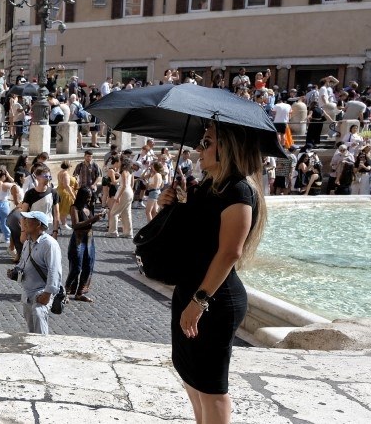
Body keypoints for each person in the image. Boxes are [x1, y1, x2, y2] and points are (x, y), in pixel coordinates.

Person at [156, 122, 268, 424]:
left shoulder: (239, 190)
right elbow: (191, 237)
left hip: (213, 300)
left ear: (228, 146)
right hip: (191, 291)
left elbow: (230, 252)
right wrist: (166, 205)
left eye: (207, 142)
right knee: (191, 379)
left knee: (211, 388)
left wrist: (199, 301)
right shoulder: (208, 185)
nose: (198, 149)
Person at [13, 211, 63, 334]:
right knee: (31, 330)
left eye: (28, 220)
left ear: (38, 224)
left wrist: (47, 294)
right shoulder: (27, 243)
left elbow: (54, 270)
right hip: (28, 293)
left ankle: (42, 351)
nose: (24, 222)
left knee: (40, 328)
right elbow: (22, 263)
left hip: (41, 293)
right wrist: (15, 272)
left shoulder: (49, 244)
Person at [66, 188, 105, 302]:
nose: (89, 199)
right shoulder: (75, 208)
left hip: (89, 239)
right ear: (81, 196)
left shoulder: (88, 206)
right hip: (78, 240)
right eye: (87, 197)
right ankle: (66, 291)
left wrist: (97, 218)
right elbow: (75, 225)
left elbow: (90, 222)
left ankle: (80, 293)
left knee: (88, 266)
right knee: (76, 268)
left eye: (90, 196)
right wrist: (93, 219)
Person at [0, 166, 21, 249]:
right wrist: (9, 176)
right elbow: (15, 184)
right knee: (4, 222)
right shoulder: (5, 185)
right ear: (4, 175)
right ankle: (7, 238)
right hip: (3, 204)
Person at [107, 156, 135, 238]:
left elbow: (123, 186)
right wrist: (113, 176)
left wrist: (118, 196)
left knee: (114, 212)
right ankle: (128, 233)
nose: (118, 163)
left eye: (119, 161)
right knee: (126, 213)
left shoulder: (124, 173)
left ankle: (113, 232)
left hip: (124, 192)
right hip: (129, 192)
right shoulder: (128, 172)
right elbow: (116, 182)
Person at [56, 161, 76, 232]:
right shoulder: (66, 174)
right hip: (65, 193)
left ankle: (63, 223)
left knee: (61, 208)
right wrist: (72, 195)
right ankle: (64, 224)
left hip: (59, 190)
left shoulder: (60, 172)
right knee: (64, 208)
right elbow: (66, 185)